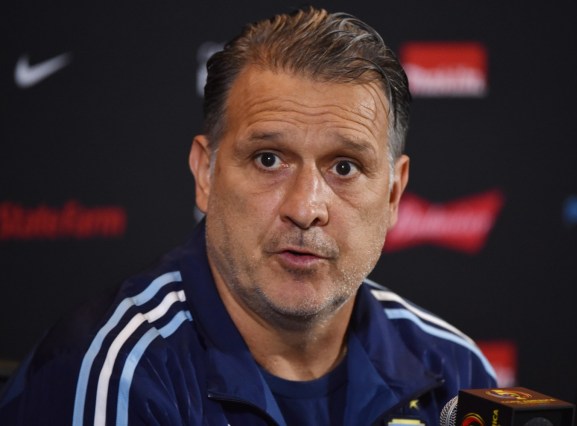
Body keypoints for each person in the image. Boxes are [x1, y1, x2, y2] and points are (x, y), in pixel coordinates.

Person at [0, 7, 496, 425]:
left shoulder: (455, 373)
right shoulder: (119, 372)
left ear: (393, 194)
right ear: (205, 173)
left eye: (344, 166)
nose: (305, 208)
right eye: (268, 160)